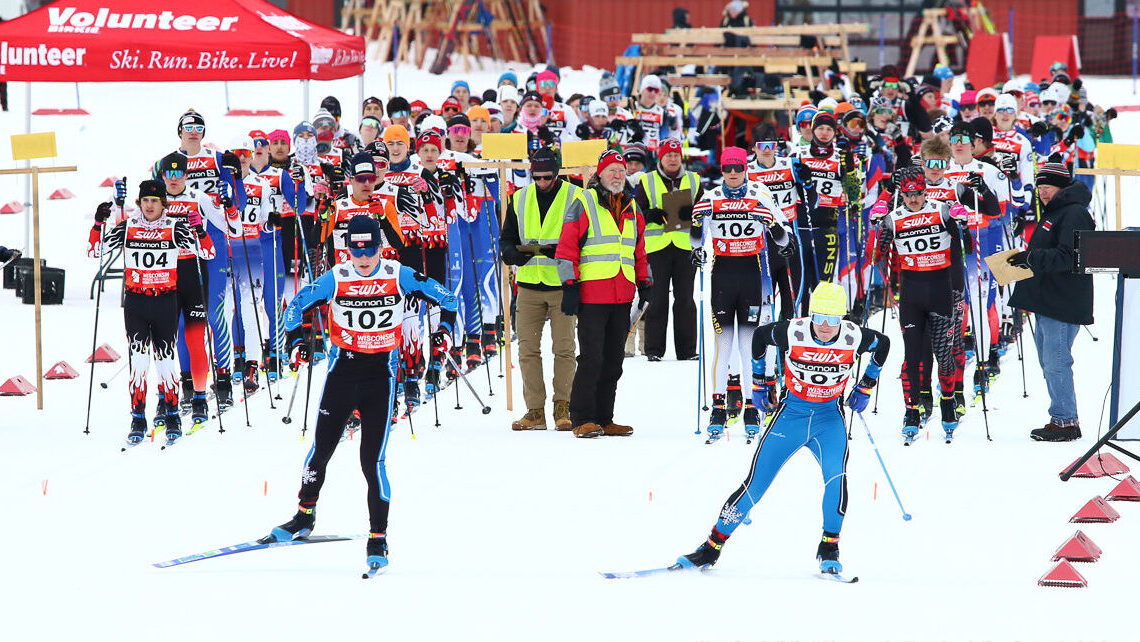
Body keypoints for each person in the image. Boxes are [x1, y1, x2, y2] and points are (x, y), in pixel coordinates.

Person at [266, 215, 457, 572]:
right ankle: (304, 515)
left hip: (380, 378)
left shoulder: (397, 273)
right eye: (357, 248)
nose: (364, 256)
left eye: (370, 248)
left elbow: (448, 298)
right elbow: (294, 306)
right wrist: (296, 341)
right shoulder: (337, 277)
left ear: (380, 247)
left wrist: (443, 331)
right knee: (320, 451)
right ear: (348, 248)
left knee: (373, 462)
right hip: (343, 373)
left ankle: (378, 539)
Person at [676, 282, 890, 575]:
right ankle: (711, 547)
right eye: (819, 318)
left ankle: (830, 546)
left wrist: (866, 385)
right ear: (811, 315)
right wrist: (760, 382)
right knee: (755, 484)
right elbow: (760, 338)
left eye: (833, 320)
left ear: (843, 319)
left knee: (836, 479)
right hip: (791, 416)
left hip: (829, 419)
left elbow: (884, 345)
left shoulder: (854, 336)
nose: (825, 327)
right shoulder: (794, 331)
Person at [87, 180, 215, 444]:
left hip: (165, 301)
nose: (149, 205)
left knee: (166, 363)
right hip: (136, 302)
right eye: (145, 200)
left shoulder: (173, 227)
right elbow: (95, 251)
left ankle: (172, 416)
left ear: (162, 204)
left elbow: (208, 252)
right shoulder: (128, 227)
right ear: (139, 202)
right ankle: (137, 418)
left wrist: (199, 229)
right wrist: (99, 224)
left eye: (154, 201)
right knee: (139, 364)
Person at [691, 146, 790, 438]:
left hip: (752, 276)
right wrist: (696, 228)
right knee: (723, 347)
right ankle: (718, 408)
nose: (733, 174)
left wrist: (770, 224)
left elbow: (783, 238)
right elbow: (697, 241)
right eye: (727, 169)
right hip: (722, 275)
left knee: (748, 346)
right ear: (721, 171)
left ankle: (750, 407)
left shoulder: (759, 195)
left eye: (737, 169)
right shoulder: (710, 197)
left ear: (745, 169)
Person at [555, 150, 651, 438]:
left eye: (621, 171)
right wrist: (569, 285)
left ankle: (604, 418)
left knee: (613, 361)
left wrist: (645, 282)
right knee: (591, 359)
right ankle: (581, 417)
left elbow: (639, 250)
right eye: (611, 171)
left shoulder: (632, 207)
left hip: (622, 295)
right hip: (592, 295)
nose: (617, 176)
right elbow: (567, 246)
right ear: (599, 175)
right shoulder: (583, 202)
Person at [871, 165, 968, 441]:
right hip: (911, 294)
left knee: (943, 352)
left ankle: (947, 402)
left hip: (940, 290)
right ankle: (911, 410)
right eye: (908, 194)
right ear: (901, 194)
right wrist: (877, 224)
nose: (913, 199)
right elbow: (880, 255)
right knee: (912, 357)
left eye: (918, 193)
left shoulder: (941, 210)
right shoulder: (894, 217)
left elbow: (967, 247)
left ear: (926, 191)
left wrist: (962, 223)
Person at [1007, 158, 1094, 442]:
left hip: (1064, 302)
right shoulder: (1054, 212)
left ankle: (1066, 421)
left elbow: (1072, 256)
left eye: (1049, 186)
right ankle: (1060, 416)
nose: (1043, 192)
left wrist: (1031, 257)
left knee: (1056, 362)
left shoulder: (1074, 213)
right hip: (1047, 300)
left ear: (1062, 186)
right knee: (1049, 362)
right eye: (1041, 186)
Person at [500, 148, 579, 431]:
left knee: (564, 348)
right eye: (537, 177)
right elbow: (506, 238)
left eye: (547, 177)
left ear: (557, 173)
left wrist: (565, 251)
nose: (542, 182)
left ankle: (563, 406)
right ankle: (535, 410)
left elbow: (586, 238)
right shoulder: (519, 198)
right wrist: (512, 254)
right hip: (529, 285)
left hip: (562, 284)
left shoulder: (575, 196)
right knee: (527, 350)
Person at [157, 152, 233, 415]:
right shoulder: (156, 199)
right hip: (165, 273)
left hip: (194, 269)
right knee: (171, 333)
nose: (175, 179)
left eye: (180, 174)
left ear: (187, 176)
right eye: (170, 173)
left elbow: (228, 226)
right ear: (163, 175)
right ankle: (184, 387)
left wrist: (228, 205)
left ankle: (207, 392)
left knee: (196, 334)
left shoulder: (197, 198)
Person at [636, 138, 702, 361]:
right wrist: (649, 215)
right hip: (656, 248)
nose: (672, 159)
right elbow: (635, 213)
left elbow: (705, 211)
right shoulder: (647, 181)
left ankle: (687, 350)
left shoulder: (694, 179)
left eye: (676, 155)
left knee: (685, 299)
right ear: (660, 158)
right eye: (668, 155)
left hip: (685, 247)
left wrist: (693, 214)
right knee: (657, 299)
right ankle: (653, 350)